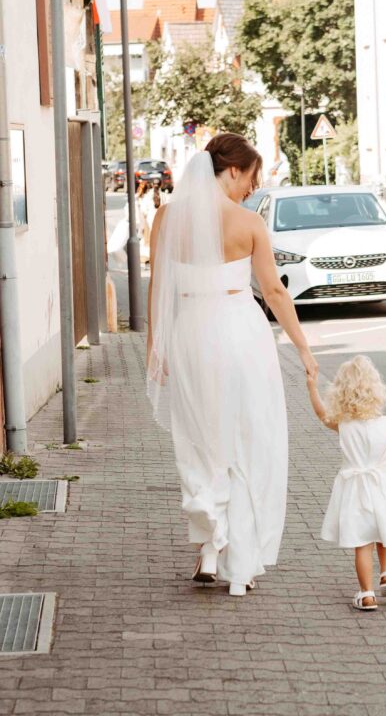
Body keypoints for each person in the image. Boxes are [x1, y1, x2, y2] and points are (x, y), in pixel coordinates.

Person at [147, 133, 318, 596]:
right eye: (251, 178)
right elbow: (276, 292)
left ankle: (208, 549)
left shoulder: (167, 218)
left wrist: (154, 346)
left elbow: (157, 287)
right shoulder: (248, 223)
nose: (252, 188)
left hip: (191, 335)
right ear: (234, 170)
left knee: (200, 439)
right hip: (242, 336)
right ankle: (239, 562)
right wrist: (302, 347)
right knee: (246, 440)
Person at [306, 355, 386, 611]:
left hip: (355, 492)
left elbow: (321, 415)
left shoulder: (344, 425)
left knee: (363, 542)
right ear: (376, 391)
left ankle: (367, 594)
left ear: (341, 393)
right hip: (383, 488)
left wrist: (311, 387)